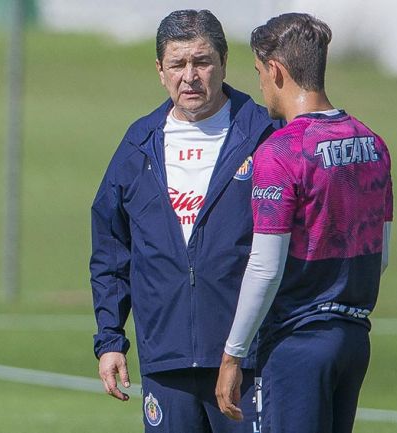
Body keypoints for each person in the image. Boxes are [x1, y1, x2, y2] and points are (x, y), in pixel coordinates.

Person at [90, 9, 281, 433]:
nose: (190, 76)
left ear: (223, 62)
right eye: (178, 64)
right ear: (160, 71)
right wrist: (109, 339)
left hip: (248, 357)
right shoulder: (138, 145)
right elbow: (110, 250)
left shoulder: (266, 135)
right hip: (166, 358)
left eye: (201, 62)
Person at [215, 13, 393, 433]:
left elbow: (265, 267)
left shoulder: (282, 152)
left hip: (299, 344)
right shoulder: (372, 142)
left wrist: (232, 356)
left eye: (259, 73)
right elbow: (380, 255)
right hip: (353, 339)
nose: (260, 84)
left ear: (275, 71)